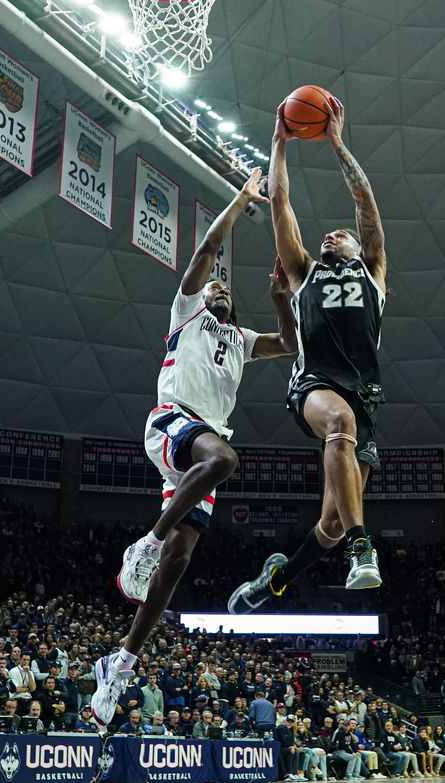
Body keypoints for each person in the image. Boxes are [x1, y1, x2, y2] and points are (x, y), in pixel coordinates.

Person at [91, 169, 294, 730]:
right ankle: (145, 543)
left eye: (227, 288)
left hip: (198, 446)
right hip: (173, 423)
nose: (221, 288)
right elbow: (208, 249)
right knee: (225, 461)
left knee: (179, 563)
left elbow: (290, 344)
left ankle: (121, 663)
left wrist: (280, 299)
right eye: (214, 287)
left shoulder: (240, 339)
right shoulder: (187, 315)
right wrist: (242, 200)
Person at [230, 94, 390, 613]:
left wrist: (338, 144)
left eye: (340, 234)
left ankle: (273, 580)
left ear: (356, 249)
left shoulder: (372, 269)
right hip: (316, 386)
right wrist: (279, 144)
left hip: (363, 395)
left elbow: (364, 202)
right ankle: (363, 552)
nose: (333, 233)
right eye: (330, 233)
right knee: (338, 422)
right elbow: (280, 204)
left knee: (332, 523)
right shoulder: (303, 272)